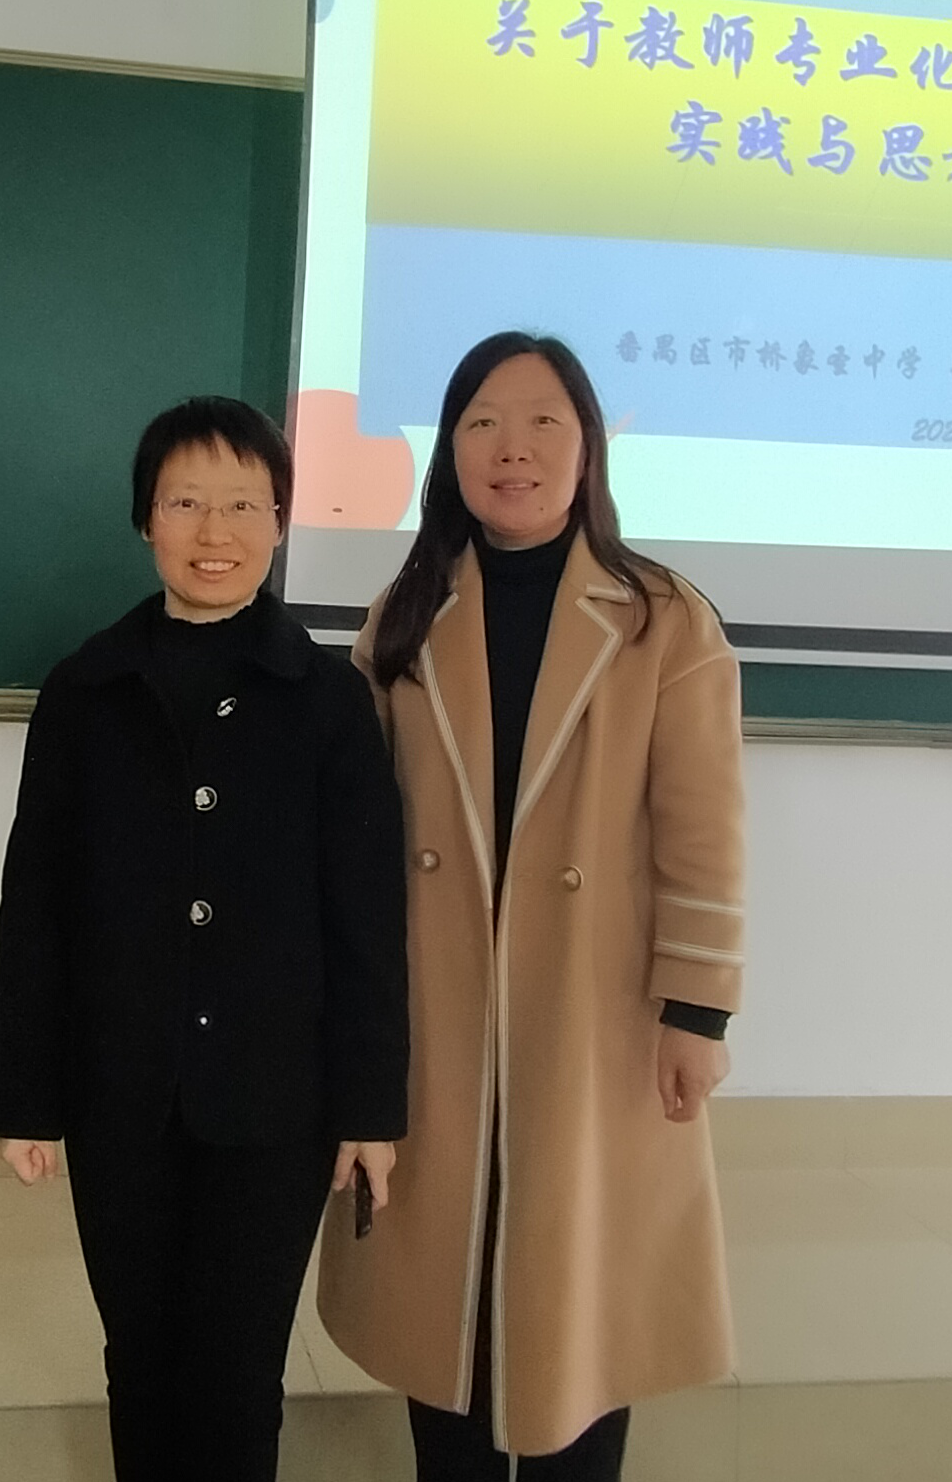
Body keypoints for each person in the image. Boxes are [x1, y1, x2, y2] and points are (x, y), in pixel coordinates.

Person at [317, 332, 746, 1480]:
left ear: (587, 446)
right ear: (450, 451)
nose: (513, 448)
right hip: (436, 1008)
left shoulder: (663, 619)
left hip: (594, 1010)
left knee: (581, 1306)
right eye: (482, 423)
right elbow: (355, 840)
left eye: (543, 421)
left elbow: (704, 832)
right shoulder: (401, 618)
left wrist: (697, 1011)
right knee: (441, 1304)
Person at [0, 396, 409, 1482]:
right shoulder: (86, 689)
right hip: (119, 1092)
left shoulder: (329, 700)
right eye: (185, 503)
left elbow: (366, 918)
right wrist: (24, 1094)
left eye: (243, 505)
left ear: (280, 523)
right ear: (146, 520)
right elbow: (37, 903)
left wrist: (370, 1106)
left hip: (277, 1101)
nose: (214, 532)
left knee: (236, 1370)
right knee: (140, 1357)